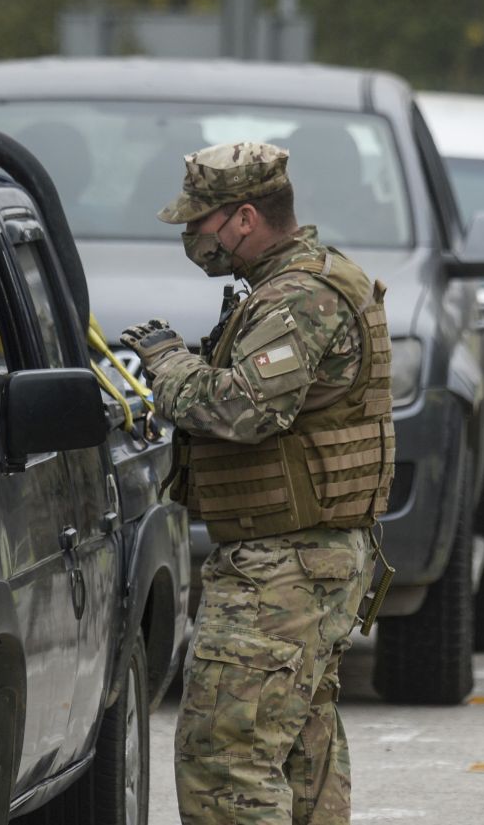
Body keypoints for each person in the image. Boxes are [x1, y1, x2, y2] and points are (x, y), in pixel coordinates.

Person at [120, 141, 393, 824]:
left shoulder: (301, 295)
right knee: (302, 752)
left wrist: (168, 366)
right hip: (304, 561)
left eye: (198, 223)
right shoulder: (298, 285)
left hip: (284, 570)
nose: (191, 238)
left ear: (243, 218)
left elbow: (246, 407)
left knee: (226, 760)